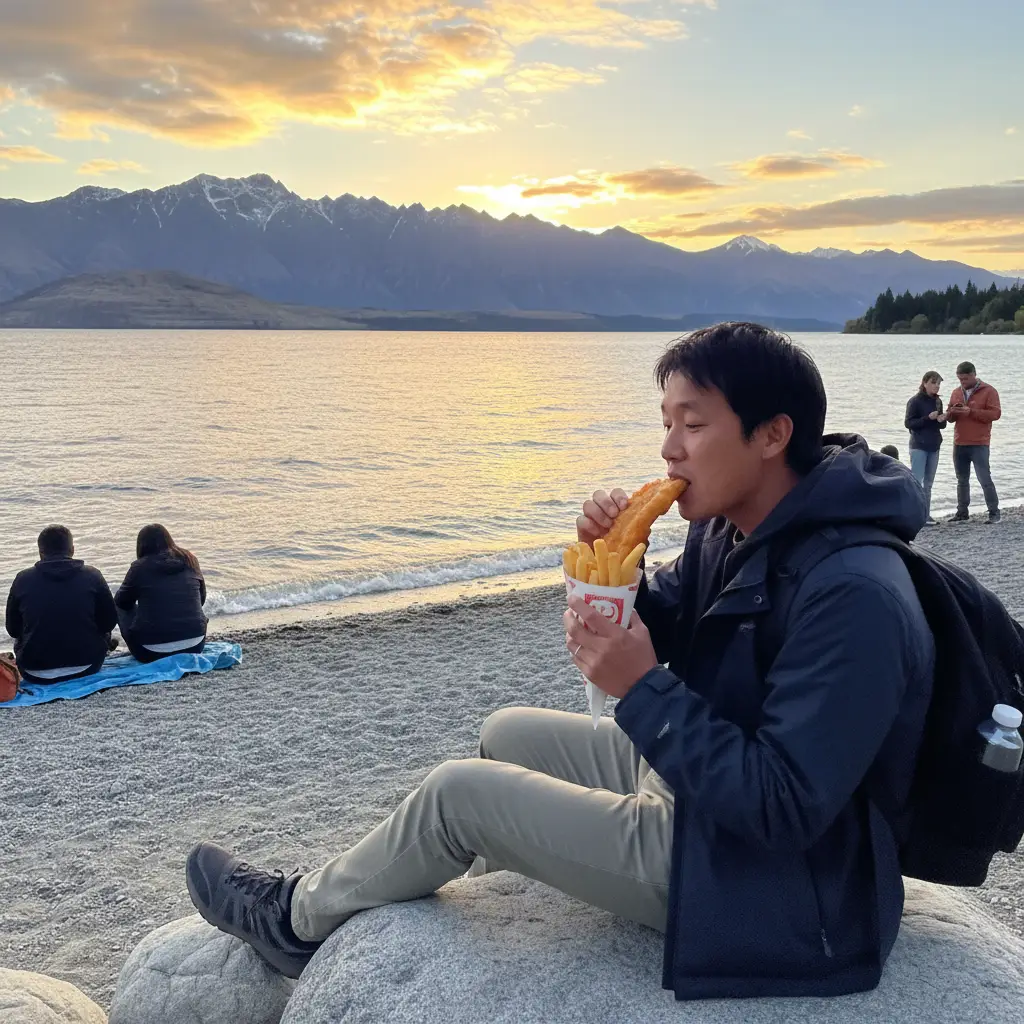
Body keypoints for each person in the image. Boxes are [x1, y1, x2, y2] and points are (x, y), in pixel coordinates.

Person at [183, 323, 934, 1001]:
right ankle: (499, 886)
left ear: (772, 434)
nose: (669, 449)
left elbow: (784, 807)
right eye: (666, 423)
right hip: (703, 798)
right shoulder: (734, 528)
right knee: (505, 732)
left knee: (460, 794)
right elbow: (664, 621)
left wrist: (642, 686)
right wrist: (610, 566)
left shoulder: (854, 592)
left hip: (771, 882)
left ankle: (294, 920)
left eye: (693, 424)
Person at [4, 525, 118, 684]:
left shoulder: (22, 579)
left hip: (34, 671)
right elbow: (109, 623)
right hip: (87, 665)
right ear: (72, 550)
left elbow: (13, 630)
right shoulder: (93, 575)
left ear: (40, 552)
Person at [115, 524, 208, 663]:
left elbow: (122, 602)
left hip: (150, 652)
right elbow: (201, 598)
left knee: (119, 605)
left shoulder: (139, 567)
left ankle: (105, 642)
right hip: (196, 644)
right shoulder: (190, 559)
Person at [946, 361, 1001, 523]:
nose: (962, 382)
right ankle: (962, 512)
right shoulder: (956, 392)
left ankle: (994, 513)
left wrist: (971, 412)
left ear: (973, 375)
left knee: (984, 478)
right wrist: (951, 412)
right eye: (959, 379)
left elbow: (995, 414)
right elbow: (950, 418)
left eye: (965, 379)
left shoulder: (989, 391)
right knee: (961, 480)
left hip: (979, 442)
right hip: (959, 442)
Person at [904, 370, 947, 525]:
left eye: (939, 383)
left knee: (928, 483)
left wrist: (942, 420)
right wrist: (927, 418)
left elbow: (941, 426)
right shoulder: (914, 401)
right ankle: (915, 515)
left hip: (934, 445)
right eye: (933, 383)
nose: (937, 386)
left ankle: (926, 515)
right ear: (924, 383)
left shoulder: (938, 401)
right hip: (918, 445)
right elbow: (908, 423)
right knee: (917, 481)